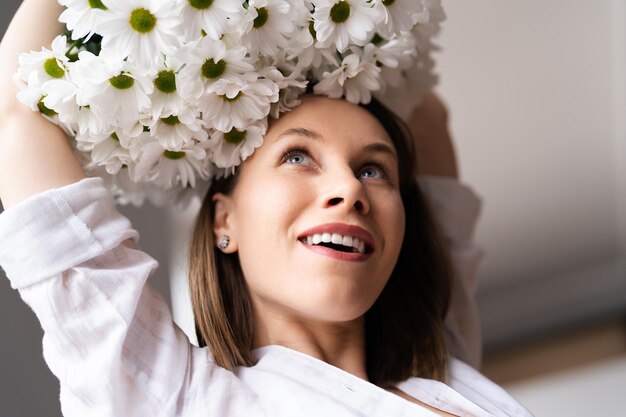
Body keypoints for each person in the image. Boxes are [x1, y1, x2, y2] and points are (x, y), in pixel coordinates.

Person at [0, 1, 530, 416]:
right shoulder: (170, 398)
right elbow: (15, 116)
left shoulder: (447, 373)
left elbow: (425, 111)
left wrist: (329, 40)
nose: (350, 189)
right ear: (223, 220)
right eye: (298, 156)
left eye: (374, 169)